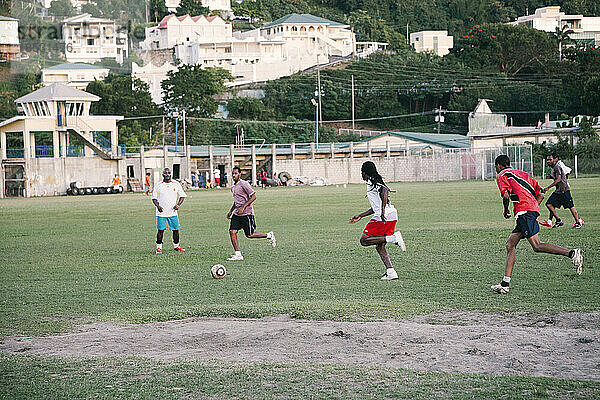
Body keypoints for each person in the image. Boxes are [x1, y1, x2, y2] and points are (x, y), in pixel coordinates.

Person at [491, 155, 583, 294]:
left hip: (524, 213)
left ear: (499, 165)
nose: (496, 169)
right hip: (527, 212)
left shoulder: (502, 175)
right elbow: (540, 193)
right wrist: (533, 208)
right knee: (510, 244)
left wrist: (506, 210)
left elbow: (506, 196)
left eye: (496, 167)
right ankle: (505, 284)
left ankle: (571, 253)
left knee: (537, 245)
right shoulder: (522, 173)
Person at [348, 161, 406, 280]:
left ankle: (393, 238)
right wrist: (361, 215)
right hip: (390, 215)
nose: (361, 175)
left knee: (364, 240)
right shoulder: (374, 181)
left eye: (361, 173)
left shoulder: (372, 181)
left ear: (365, 173)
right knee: (380, 246)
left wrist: (383, 211)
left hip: (384, 216)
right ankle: (391, 272)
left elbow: (384, 190)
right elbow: (375, 207)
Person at [226, 166, 276, 260]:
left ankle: (269, 235)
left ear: (240, 174)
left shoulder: (244, 184)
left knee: (249, 234)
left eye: (236, 173)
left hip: (247, 214)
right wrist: (231, 211)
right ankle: (238, 254)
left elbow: (253, 197)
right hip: (237, 214)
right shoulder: (233, 187)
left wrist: (243, 207)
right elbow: (236, 201)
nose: (234, 175)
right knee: (232, 231)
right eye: (233, 173)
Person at [540, 153, 584, 229]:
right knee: (549, 204)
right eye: (547, 160)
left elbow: (558, 179)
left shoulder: (557, 167)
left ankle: (578, 222)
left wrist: (547, 188)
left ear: (555, 159)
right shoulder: (554, 167)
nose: (548, 161)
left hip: (564, 190)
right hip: (558, 191)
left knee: (571, 206)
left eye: (550, 159)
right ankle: (558, 220)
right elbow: (558, 177)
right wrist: (551, 176)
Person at [151, 168, 186, 254]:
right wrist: (158, 206)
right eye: (165, 173)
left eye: (168, 173)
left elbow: (182, 195)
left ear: (171, 174)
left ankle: (176, 246)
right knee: (161, 230)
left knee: (176, 230)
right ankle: (159, 248)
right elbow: (154, 198)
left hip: (172, 212)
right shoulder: (158, 185)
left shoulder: (176, 184)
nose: (167, 174)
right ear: (162, 175)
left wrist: (178, 205)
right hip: (161, 212)